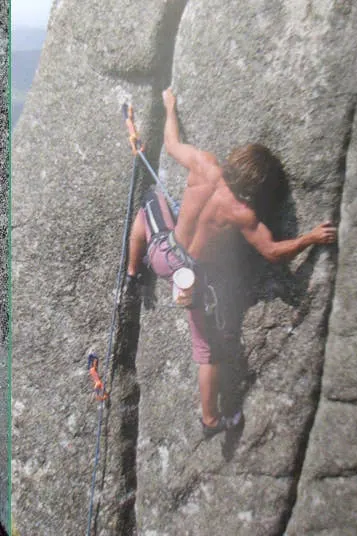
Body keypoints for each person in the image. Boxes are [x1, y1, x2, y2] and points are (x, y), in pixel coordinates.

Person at [126, 88, 337, 438]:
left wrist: (169, 106)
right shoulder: (242, 213)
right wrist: (310, 238)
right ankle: (210, 420)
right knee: (207, 351)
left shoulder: (204, 163)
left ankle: (134, 272)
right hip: (190, 277)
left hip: (163, 254)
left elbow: (173, 142)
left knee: (149, 204)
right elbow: (272, 252)